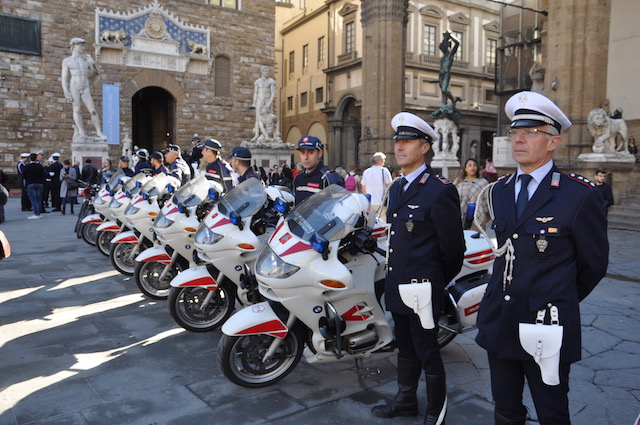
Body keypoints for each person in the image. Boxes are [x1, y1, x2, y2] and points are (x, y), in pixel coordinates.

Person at [474, 91, 609, 425]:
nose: (518, 138)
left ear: (553, 142)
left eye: (531, 131)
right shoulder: (498, 191)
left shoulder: (578, 195)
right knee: (505, 409)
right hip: (501, 319)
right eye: (515, 131)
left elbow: (593, 265)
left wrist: (557, 297)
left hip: (545, 326)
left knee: (551, 412)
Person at [372, 112, 464, 425]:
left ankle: (436, 409)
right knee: (405, 346)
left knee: (427, 349)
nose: (400, 146)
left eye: (407, 141)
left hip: (423, 289)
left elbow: (454, 251)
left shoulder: (439, 190)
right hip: (397, 284)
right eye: (398, 140)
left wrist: (434, 283)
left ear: (424, 147)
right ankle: (405, 400)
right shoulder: (396, 188)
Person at [61, 38, 105, 139]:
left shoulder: (86, 59)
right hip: (74, 86)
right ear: (74, 46)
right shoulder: (67, 61)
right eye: (80, 45)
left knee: (93, 110)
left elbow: (96, 73)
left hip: (85, 86)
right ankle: (81, 131)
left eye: (82, 45)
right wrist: (66, 91)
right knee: (77, 110)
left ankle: (99, 131)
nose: (82, 47)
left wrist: (92, 64)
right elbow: (64, 78)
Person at [292, 136, 344, 205]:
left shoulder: (329, 178)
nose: (306, 157)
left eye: (311, 152)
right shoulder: (298, 178)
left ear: (319, 153)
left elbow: (340, 207)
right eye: (302, 152)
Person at [453, 158, 488, 229]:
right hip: (460, 216)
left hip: (477, 216)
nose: (472, 167)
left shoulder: (482, 182)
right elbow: (453, 198)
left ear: (477, 168)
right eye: (469, 165)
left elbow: (487, 200)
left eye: (474, 165)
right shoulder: (458, 182)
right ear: (465, 168)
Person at [438, 31, 460, 106]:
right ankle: (445, 105)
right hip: (441, 75)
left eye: (443, 48)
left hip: (446, 74)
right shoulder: (443, 58)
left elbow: (457, 43)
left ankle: (453, 99)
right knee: (443, 94)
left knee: (444, 90)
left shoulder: (450, 55)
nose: (442, 50)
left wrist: (451, 37)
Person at [23, 153, 47, 219]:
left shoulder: (27, 166)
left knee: (33, 200)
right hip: (39, 183)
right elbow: (44, 175)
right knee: (39, 199)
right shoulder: (39, 166)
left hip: (31, 183)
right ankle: (38, 213)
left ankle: (36, 214)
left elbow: (24, 175)